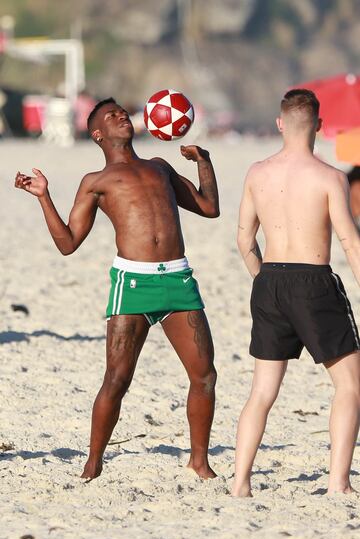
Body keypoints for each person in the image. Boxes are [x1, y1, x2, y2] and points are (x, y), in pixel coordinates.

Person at [15, 97, 219, 481]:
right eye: (112, 116)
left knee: (205, 376)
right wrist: (44, 196)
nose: (122, 116)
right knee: (117, 379)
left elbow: (209, 208)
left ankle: (199, 461)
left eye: (123, 112)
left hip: (178, 279)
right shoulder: (96, 182)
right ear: (97, 134)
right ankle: (94, 460)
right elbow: (68, 243)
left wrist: (203, 161)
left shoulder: (160, 168)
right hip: (133, 284)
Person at [233, 89, 360, 497]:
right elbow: (349, 241)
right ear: (319, 127)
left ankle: (240, 483)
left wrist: (262, 280)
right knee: (350, 385)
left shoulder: (257, 172)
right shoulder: (330, 177)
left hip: (270, 279)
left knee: (262, 392)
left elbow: (244, 240)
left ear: (280, 124)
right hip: (313, 281)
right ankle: (338, 483)